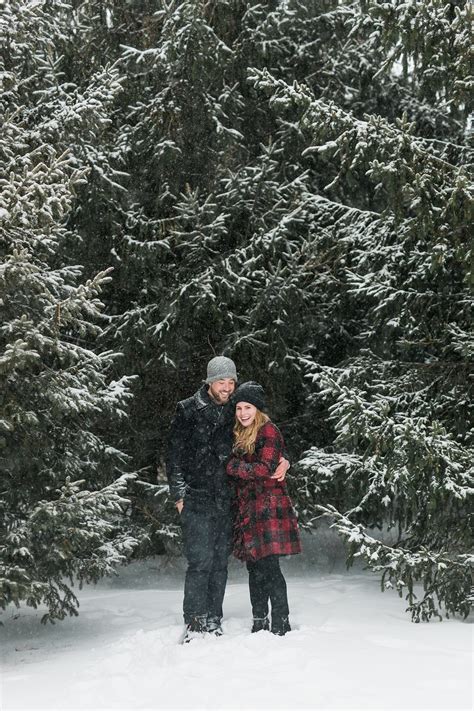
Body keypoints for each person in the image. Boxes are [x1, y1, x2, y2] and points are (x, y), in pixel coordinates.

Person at [166, 358, 289, 643]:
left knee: (220, 562)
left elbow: (262, 435)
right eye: (222, 382)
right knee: (200, 562)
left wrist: (285, 459)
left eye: (231, 382)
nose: (227, 387)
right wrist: (179, 496)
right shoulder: (187, 410)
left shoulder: (236, 409)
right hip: (196, 497)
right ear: (209, 381)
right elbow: (173, 456)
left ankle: (214, 617)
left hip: (227, 499)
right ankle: (195, 621)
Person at [226, 381, 301, 636]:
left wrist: (234, 468)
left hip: (269, 508)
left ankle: (281, 621)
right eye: (238, 408)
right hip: (248, 508)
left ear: (258, 409)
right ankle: (259, 619)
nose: (243, 413)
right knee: (254, 567)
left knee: (270, 567)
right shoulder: (238, 432)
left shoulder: (269, 431)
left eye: (248, 407)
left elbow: (265, 468)